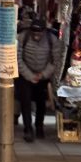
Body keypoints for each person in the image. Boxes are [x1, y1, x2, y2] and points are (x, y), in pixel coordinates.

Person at [17, 14, 62, 142]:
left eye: (39, 32)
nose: (36, 35)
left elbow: (55, 60)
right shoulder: (23, 37)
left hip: (43, 75)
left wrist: (43, 74)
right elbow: (18, 58)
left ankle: (39, 126)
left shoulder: (52, 39)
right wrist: (29, 75)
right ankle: (28, 128)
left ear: (44, 31)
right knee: (25, 101)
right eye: (34, 32)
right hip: (25, 75)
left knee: (41, 102)